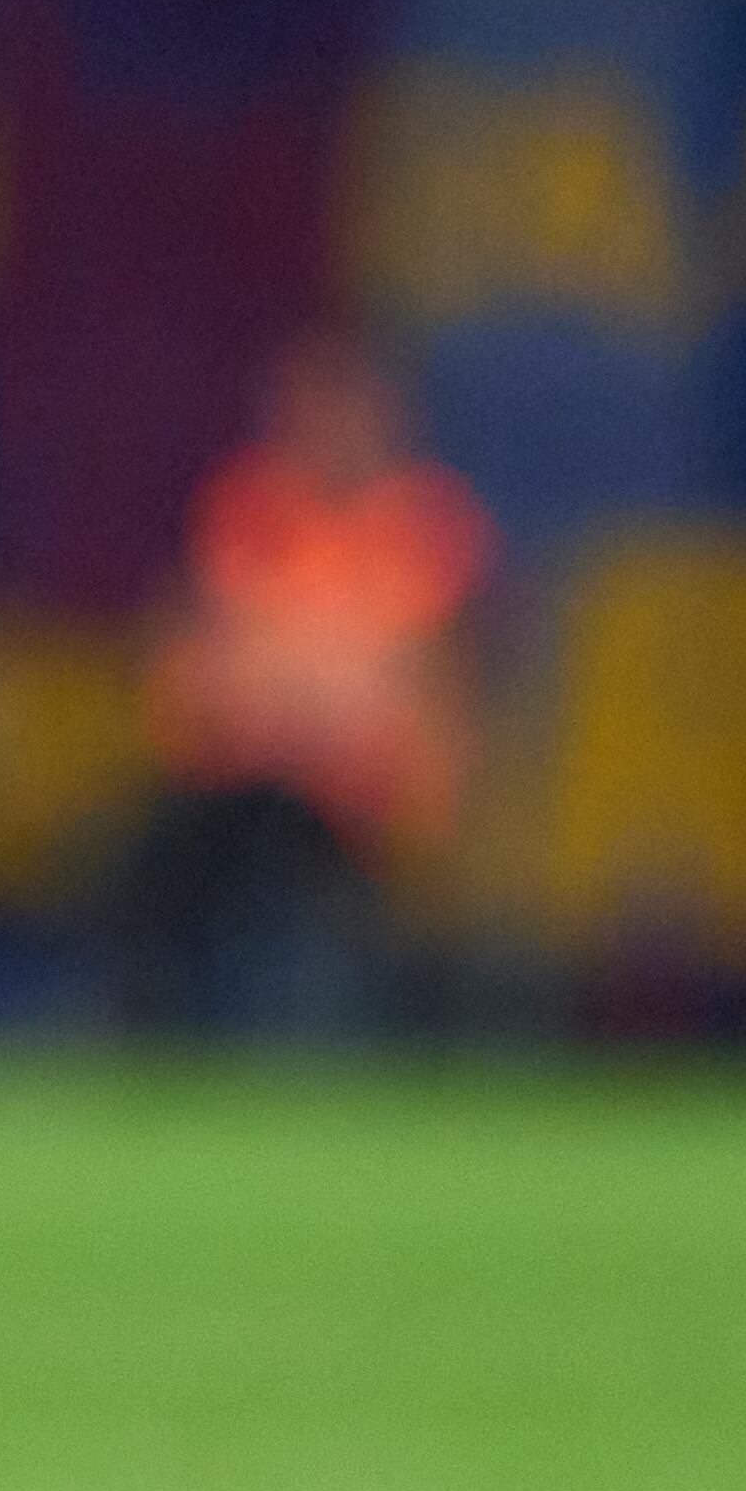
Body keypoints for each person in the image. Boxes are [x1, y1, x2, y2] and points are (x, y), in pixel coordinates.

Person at [115, 336, 489, 1036]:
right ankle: (162, 1035)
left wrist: (311, 706)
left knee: (299, 833)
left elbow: (418, 686)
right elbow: (205, 663)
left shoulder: (422, 520)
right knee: (156, 846)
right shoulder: (252, 507)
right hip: (251, 773)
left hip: (366, 791)